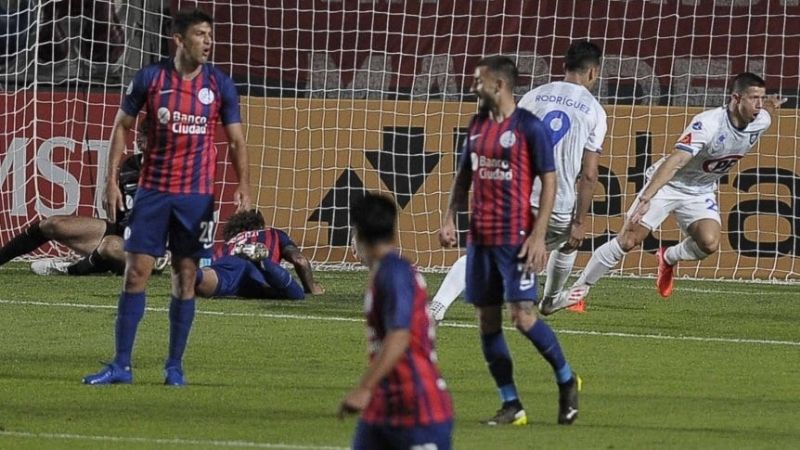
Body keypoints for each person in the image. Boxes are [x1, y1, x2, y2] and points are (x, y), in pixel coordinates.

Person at [83, 8, 251, 386]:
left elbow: (237, 140)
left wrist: (244, 185)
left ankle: (174, 365)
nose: (208, 41)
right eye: (200, 34)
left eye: (210, 34)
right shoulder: (151, 78)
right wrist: (110, 181)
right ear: (179, 40)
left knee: (185, 276)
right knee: (135, 274)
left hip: (195, 199)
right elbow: (122, 126)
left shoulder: (219, 84)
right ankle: (121, 365)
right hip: (152, 194)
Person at [549, 72, 786, 313]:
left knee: (709, 243)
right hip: (668, 184)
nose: (759, 104)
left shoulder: (761, 119)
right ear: (736, 98)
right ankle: (579, 291)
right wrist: (646, 197)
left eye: (762, 98)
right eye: (753, 98)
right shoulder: (708, 124)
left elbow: (768, 109)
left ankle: (668, 257)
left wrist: (771, 103)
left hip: (700, 190)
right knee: (628, 239)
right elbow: (674, 162)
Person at [439, 55, 581, 426]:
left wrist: (538, 236)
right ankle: (511, 404)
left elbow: (549, 181)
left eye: (477, 81)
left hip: (515, 238)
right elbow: (463, 176)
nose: (473, 86)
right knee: (487, 322)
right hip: (480, 240)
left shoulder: (529, 128)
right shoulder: (476, 124)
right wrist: (450, 217)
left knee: (522, 318)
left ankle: (566, 380)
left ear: (498, 85)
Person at [430, 40, 606, 320]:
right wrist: (580, 221)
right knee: (568, 242)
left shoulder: (534, 96)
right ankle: (549, 299)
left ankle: (437, 306)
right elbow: (589, 174)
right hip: (557, 205)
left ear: (564, 66)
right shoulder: (595, 110)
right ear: (594, 72)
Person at [339, 192, 453, 449]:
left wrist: (364, 388)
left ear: (359, 234)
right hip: (383, 405)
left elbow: (400, 334)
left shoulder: (393, 273)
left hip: (418, 407)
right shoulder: (389, 271)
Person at [1, 120, 150, 276]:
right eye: (139, 133)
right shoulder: (130, 165)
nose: (139, 138)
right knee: (53, 224)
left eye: (146, 135)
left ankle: (68, 269)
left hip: (150, 246)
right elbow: (120, 215)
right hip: (122, 235)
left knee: (110, 246)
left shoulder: (173, 172)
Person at [194, 209, 324, 300]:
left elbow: (213, 261)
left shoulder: (229, 243)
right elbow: (300, 260)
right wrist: (312, 288)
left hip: (229, 265)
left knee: (206, 279)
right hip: (259, 275)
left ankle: (192, 272)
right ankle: (263, 261)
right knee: (296, 294)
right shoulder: (273, 233)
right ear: (260, 225)